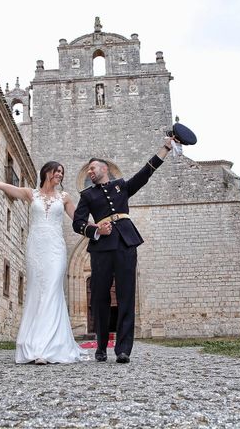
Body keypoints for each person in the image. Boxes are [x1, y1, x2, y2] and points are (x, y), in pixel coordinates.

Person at [0, 162, 89, 365]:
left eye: (62, 172)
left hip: (56, 248)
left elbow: (78, 221)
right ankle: (34, 346)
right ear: (46, 172)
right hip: (36, 248)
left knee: (52, 290)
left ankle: (47, 348)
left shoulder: (65, 197)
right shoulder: (30, 194)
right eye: (57, 171)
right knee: (37, 291)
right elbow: (0, 185)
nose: (60, 175)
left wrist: (97, 227)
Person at [72, 138, 173, 363]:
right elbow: (77, 223)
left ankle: (123, 349)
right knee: (99, 296)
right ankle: (100, 347)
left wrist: (165, 149)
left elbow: (145, 173)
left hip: (126, 242)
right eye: (88, 169)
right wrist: (96, 229)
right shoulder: (87, 195)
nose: (90, 171)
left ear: (105, 168)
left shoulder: (121, 186)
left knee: (126, 294)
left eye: (93, 167)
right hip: (101, 247)